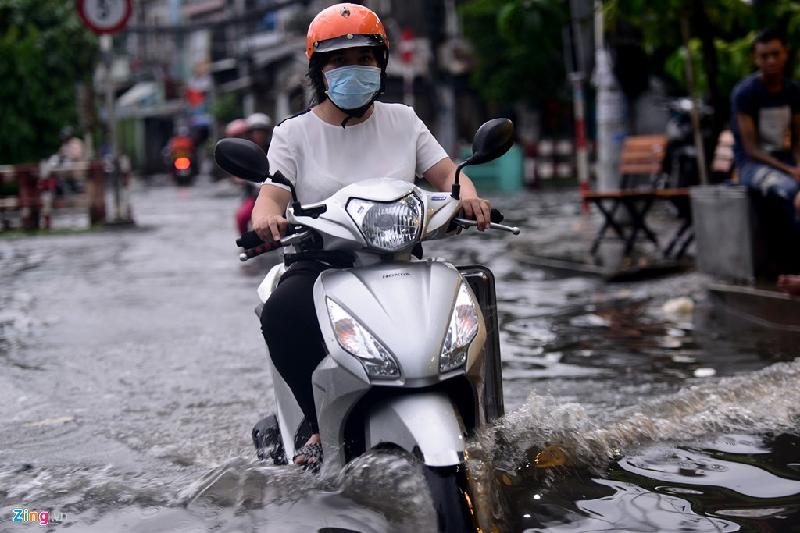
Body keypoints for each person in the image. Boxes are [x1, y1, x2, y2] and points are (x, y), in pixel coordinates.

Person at [251, 3, 492, 469]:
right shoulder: (293, 134)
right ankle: (316, 423)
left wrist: (470, 197)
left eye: (363, 59)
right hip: (323, 264)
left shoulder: (403, 120)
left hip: (401, 260)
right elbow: (271, 195)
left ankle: (481, 414)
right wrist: (266, 217)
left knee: (469, 295)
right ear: (318, 70)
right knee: (282, 310)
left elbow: (448, 174)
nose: (352, 70)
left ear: (381, 62)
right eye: (338, 61)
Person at [731, 28, 800, 222]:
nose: (771, 61)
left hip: (788, 162)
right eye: (764, 56)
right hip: (754, 166)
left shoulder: (793, 91)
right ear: (755, 59)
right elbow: (751, 149)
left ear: (786, 54)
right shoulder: (745, 93)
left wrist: (798, 164)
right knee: (789, 188)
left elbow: (797, 138)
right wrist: (790, 171)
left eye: (775, 54)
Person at [236, 113, 273, 235]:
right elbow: (238, 170)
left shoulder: (275, 149)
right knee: (242, 216)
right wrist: (240, 179)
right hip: (253, 194)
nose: (258, 135)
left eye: (261, 131)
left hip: (274, 192)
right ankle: (245, 242)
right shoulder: (246, 151)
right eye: (255, 131)